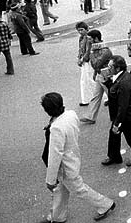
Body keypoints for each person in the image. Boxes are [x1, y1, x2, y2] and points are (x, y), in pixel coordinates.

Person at [40, 92, 115, 223]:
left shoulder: (56, 128)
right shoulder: (71, 114)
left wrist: (50, 179)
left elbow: (55, 155)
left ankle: (105, 204)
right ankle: (57, 217)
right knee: (61, 190)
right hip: (73, 156)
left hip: (64, 166)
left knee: (78, 189)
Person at [101, 55, 131, 167]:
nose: (108, 69)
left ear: (117, 68)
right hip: (123, 114)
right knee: (114, 134)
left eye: (110, 66)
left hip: (126, 116)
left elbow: (123, 105)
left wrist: (117, 123)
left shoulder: (123, 83)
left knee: (130, 137)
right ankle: (114, 156)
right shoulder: (122, 76)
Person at [80, 29, 114, 124]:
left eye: (90, 39)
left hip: (106, 76)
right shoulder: (96, 48)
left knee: (112, 97)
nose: (88, 41)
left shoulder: (105, 50)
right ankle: (91, 116)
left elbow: (96, 64)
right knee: (96, 96)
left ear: (96, 39)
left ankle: (117, 116)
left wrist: (90, 53)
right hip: (100, 75)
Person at [76, 22, 94, 107]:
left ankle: (105, 97)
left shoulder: (88, 38)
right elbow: (80, 49)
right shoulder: (81, 38)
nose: (80, 32)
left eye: (82, 30)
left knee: (91, 79)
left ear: (86, 29)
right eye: (79, 30)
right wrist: (79, 58)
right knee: (84, 80)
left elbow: (88, 51)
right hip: (83, 61)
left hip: (89, 61)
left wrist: (82, 60)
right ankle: (85, 99)